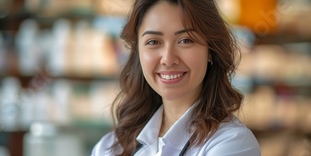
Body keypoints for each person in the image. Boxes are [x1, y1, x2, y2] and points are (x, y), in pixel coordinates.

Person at [92, 0, 260, 155]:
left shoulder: (233, 144)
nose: (168, 59)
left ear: (210, 51)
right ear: (138, 54)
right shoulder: (110, 146)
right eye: (153, 42)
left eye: (185, 40)